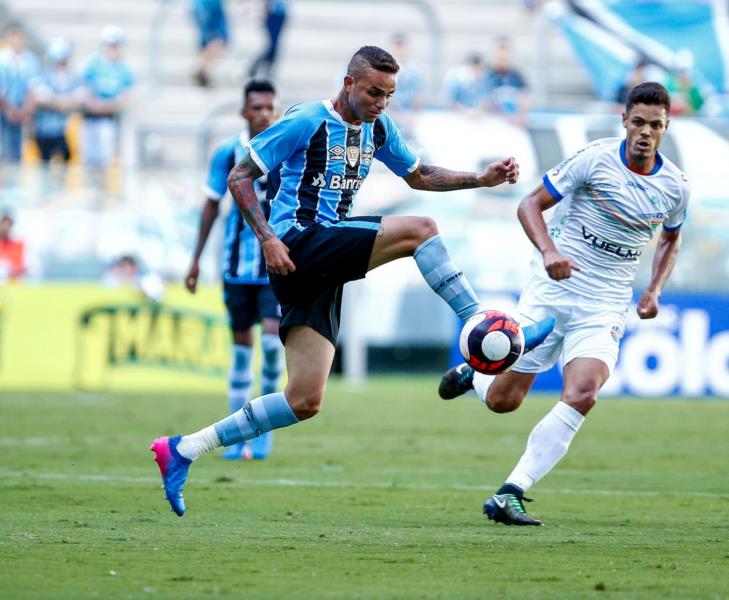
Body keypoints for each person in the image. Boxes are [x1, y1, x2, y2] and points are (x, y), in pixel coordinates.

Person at [151, 45, 555, 517]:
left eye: (389, 94)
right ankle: (482, 323)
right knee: (420, 230)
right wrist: (267, 240)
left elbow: (420, 174)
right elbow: (241, 177)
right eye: (374, 92)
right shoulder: (306, 120)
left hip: (316, 265)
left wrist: (480, 180)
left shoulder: (378, 127)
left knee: (304, 400)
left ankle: (183, 450)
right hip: (297, 242)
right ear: (348, 84)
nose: (382, 102)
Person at [438, 82, 689, 526]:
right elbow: (530, 205)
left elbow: (671, 238)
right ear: (624, 121)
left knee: (584, 392)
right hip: (553, 291)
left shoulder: (675, 186)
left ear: (666, 126)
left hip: (605, 304)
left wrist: (654, 290)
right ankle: (475, 373)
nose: (645, 133)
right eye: (638, 123)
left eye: (655, 125)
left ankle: (510, 492)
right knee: (503, 401)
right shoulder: (594, 159)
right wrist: (550, 251)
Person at [185, 79, 283, 461]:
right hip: (235, 268)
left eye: (268, 108)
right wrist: (194, 259)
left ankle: (264, 431)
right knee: (242, 353)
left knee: (273, 347)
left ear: (275, 111)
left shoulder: (285, 148)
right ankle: (235, 435)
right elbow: (211, 205)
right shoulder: (227, 152)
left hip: (277, 265)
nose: (263, 114)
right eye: (256, 108)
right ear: (244, 112)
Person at [80, 26, 135, 167]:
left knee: (105, 159)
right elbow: (83, 88)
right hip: (90, 117)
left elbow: (126, 96)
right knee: (88, 159)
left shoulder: (124, 68)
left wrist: (107, 106)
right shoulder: (92, 63)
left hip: (109, 119)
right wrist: (93, 104)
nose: (113, 49)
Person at [30, 38, 83, 162]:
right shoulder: (43, 75)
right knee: (44, 163)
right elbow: (40, 97)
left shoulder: (73, 78)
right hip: (43, 129)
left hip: (64, 130)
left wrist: (56, 101)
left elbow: (81, 97)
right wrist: (63, 102)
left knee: (66, 159)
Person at [0, 24, 39, 161]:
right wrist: (9, 109)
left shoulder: (30, 60)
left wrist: (25, 110)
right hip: (4, 111)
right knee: (4, 151)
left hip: (23, 112)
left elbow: (34, 88)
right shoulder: (3, 59)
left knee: (19, 153)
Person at [483, 37, 529, 123]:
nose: (503, 54)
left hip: (512, 124)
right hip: (490, 122)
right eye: (500, 49)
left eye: (506, 49)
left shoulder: (517, 76)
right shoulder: (485, 75)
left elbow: (524, 100)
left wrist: (520, 116)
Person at [189, 0, 229, 87]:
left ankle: (203, 72)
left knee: (208, 42)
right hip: (210, 6)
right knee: (220, 40)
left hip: (200, 5)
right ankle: (201, 71)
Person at [248, 0, 288, 79]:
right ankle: (255, 67)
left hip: (281, 14)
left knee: (275, 45)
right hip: (271, 14)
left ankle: (268, 68)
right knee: (271, 45)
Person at [0, 213, 26, 281]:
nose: (5, 228)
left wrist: (8, 268)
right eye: (3, 224)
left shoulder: (18, 244)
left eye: (8, 225)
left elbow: (22, 265)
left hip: (13, 281)